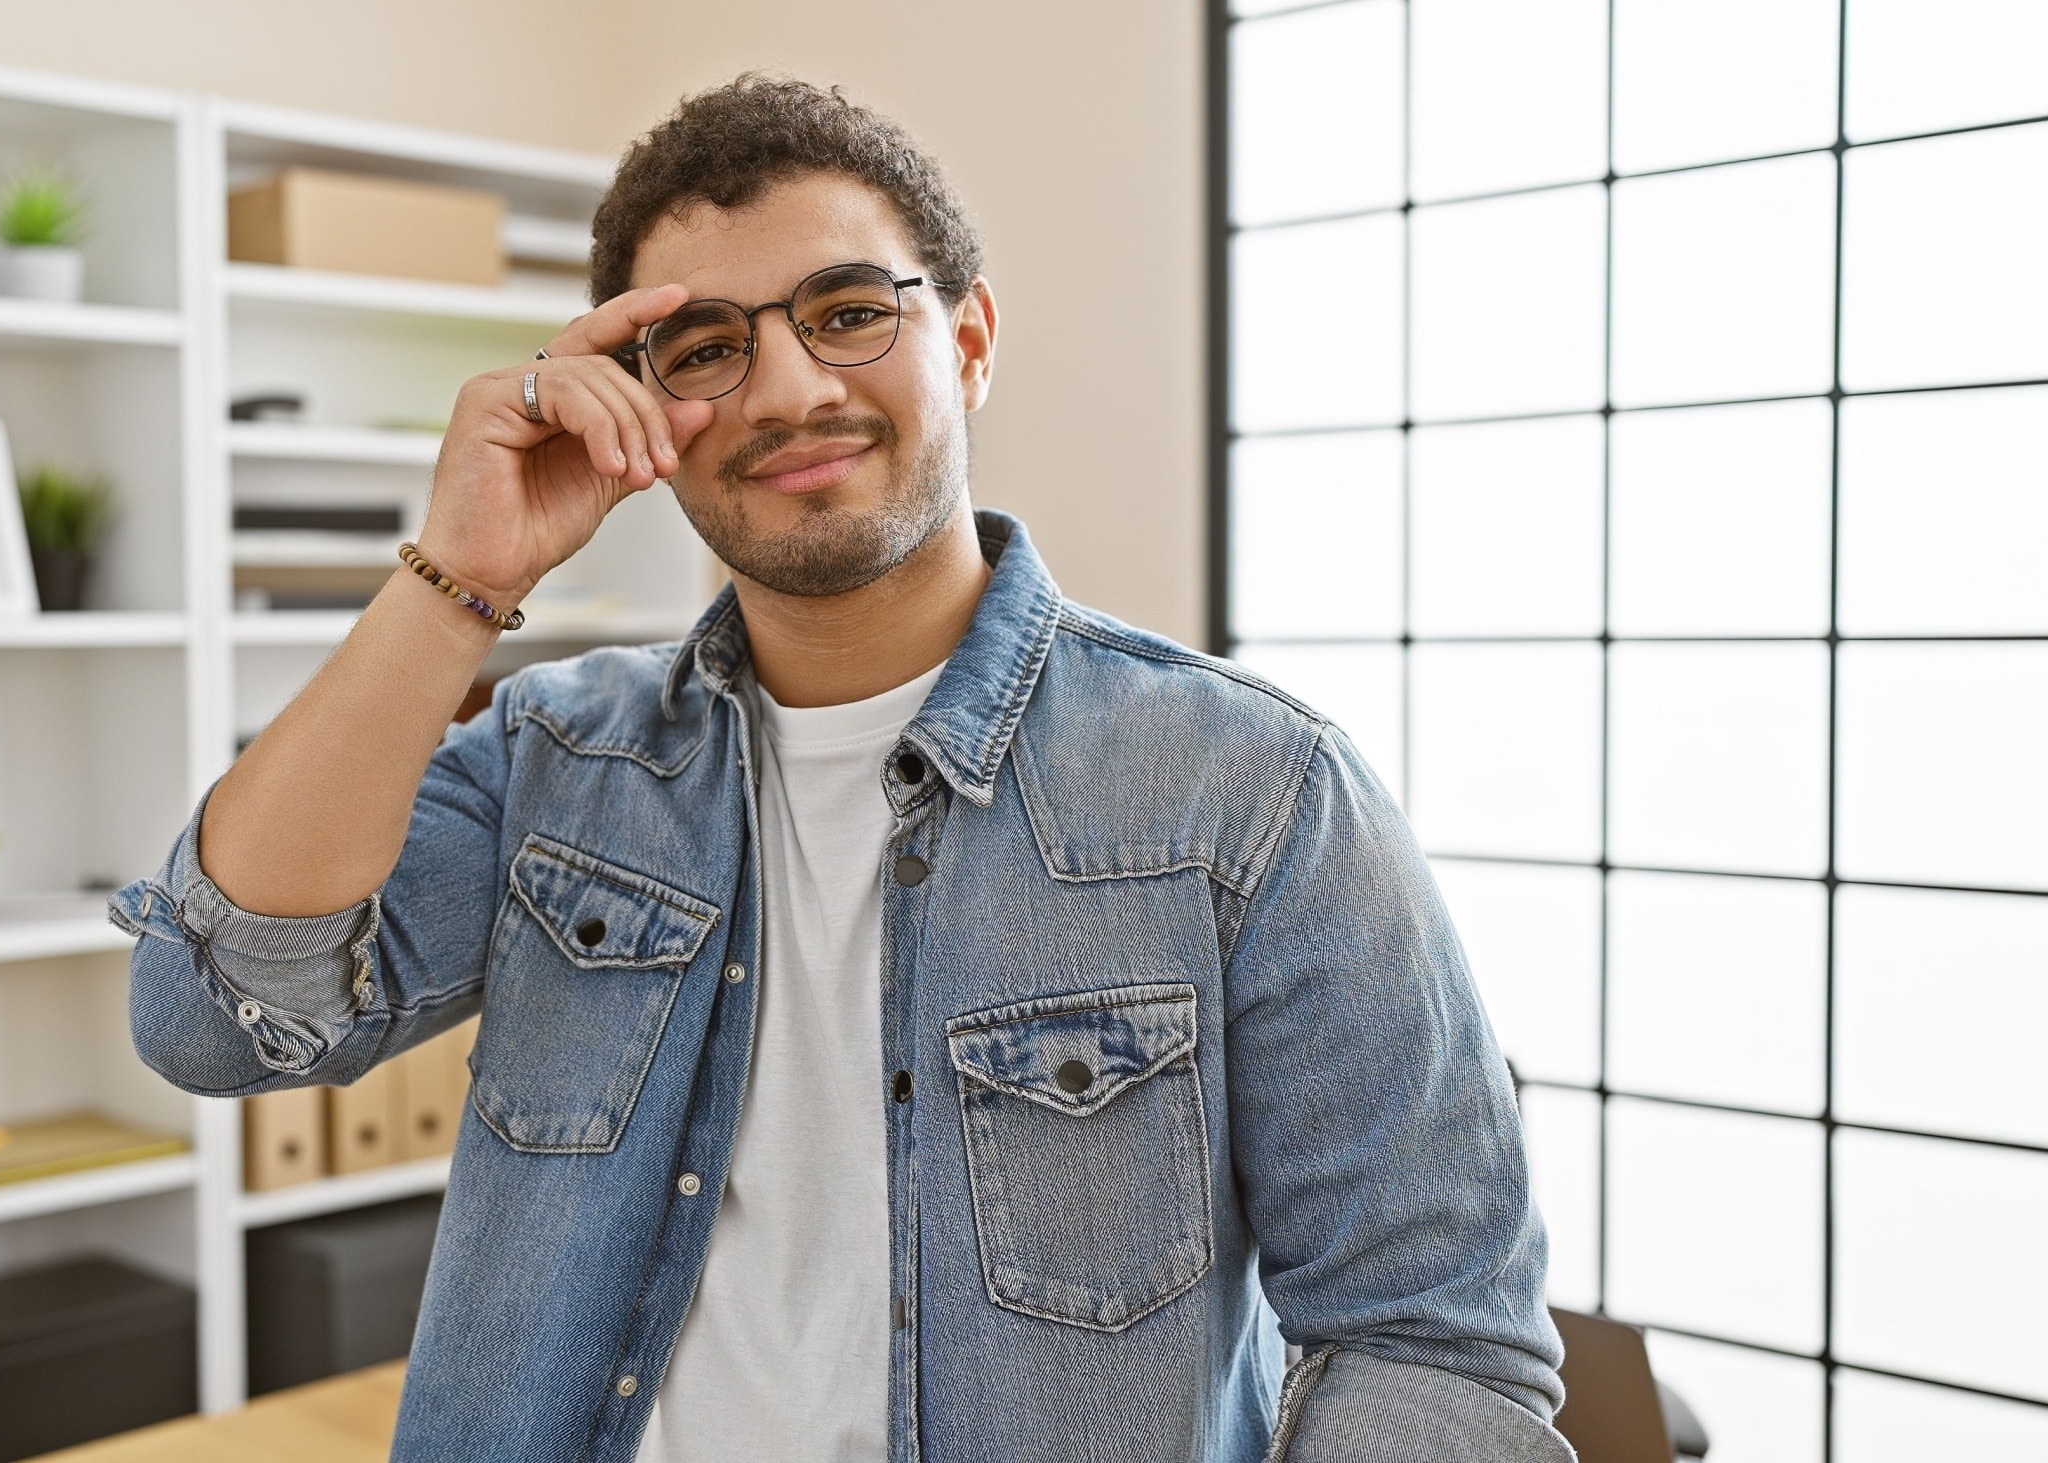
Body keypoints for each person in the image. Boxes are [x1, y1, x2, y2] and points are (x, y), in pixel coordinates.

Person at [114, 74, 1573, 1463]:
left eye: (849, 312)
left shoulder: (1250, 793)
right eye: (705, 350)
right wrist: (460, 576)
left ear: (975, 339)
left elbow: (1431, 1339)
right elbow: (215, 1016)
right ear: (640, 409)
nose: (787, 389)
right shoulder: (562, 758)